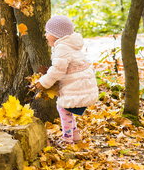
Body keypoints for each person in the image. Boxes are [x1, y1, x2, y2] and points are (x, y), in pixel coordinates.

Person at [36, 15, 98, 145]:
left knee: (63, 108)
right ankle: (75, 136)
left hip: (78, 86)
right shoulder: (68, 46)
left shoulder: (62, 48)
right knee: (65, 109)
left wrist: (44, 82)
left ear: (56, 35)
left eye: (48, 32)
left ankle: (67, 140)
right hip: (81, 85)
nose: (45, 35)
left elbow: (57, 69)